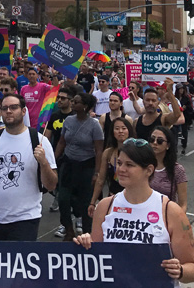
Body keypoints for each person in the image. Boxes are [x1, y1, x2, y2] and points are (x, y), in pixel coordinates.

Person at [73, 138, 194, 286]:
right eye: (119, 163)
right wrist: (86, 244)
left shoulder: (169, 210)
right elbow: (97, 262)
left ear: (149, 170)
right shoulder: (105, 206)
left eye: (129, 165)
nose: (121, 169)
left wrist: (180, 270)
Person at [0, 94, 57, 241]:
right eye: (5, 108)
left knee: (19, 263)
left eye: (14, 107)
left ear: (23, 111)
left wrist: (44, 163)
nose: (8, 111)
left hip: (26, 220)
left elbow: (51, 185)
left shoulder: (40, 141)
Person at [54, 93, 104, 240]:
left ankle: (88, 233)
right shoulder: (68, 121)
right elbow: (62, 142)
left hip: (86, 166)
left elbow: (99, 150)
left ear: (85, 107)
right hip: (69, 164)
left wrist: (97, 172)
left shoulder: (94, 125)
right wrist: (54, 161)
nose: (73, 104)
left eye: (76, 102)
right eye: (73, 101)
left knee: (84, 201)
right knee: (63, 198)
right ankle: (68, 229)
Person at [89, 117, 135, 214]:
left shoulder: (137, 152)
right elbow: (100, 179)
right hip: (114, 199)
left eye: (123, 128)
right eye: (117, 128)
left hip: (133, 199)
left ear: (129, 130)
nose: (120, 131)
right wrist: (92, 202)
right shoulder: (108, 153)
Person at [44, 86, 76, 217]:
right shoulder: (54, 116)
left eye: (63, 98)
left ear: (70, 100)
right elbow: (47, 136)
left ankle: (72, 205)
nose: (60, 100)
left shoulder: (75, 116)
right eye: (59, 98)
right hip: (56, 153)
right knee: (56, 180)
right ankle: (58, 197)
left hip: (72, 154)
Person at [149, 125, 188, 213]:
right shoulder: (142, 166)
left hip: (166, 218)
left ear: (168, 145)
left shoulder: (177, 170)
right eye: (152, 139)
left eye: (160, 141)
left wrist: (178, 222)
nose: (154, 143)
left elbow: (183, 204)